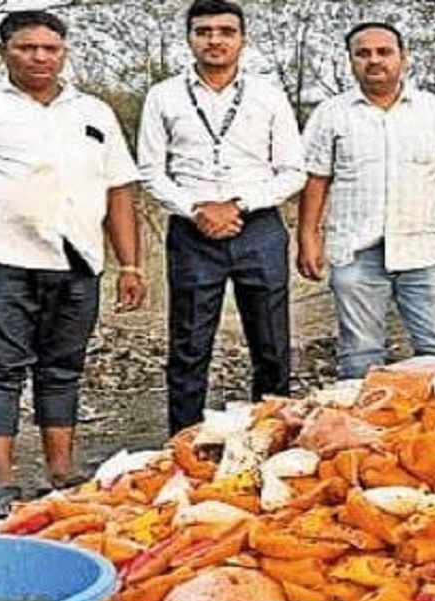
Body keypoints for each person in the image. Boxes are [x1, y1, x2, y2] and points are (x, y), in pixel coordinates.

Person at [0, 10, 146, 517]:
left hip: (77, 259)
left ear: (64, 51)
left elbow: (119, 187)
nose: (40, 57)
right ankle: (2, 481)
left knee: (63, 368)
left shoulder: (92, 111)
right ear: (5, 51)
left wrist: (130, 264)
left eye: (50, 48)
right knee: (0, 368)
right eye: (27, 48)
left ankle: (62, 472)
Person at [138, 0, 305, 434]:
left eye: (225, 31)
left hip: (258, 227)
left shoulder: (268, 95)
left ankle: (272, 437)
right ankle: (184, 443)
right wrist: (196, 208)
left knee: (270, 344)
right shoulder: (164, 95)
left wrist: (238, 205)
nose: (215, 39)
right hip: (193, 230)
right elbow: (151, 171)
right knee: (190, 345)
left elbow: (292, 171)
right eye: (204, 31)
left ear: (242, 39)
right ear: (190, 38)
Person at [297, 23, 435, 379]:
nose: (374, 60)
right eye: (363, 53)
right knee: (360, 354)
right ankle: (358, 433)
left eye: (384, 52)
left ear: (403, 57)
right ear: (350, 61)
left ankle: (432, 432)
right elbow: (316, 177)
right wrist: (308, 237)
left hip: (426, 249)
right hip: (356, 249)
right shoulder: (331, 113)